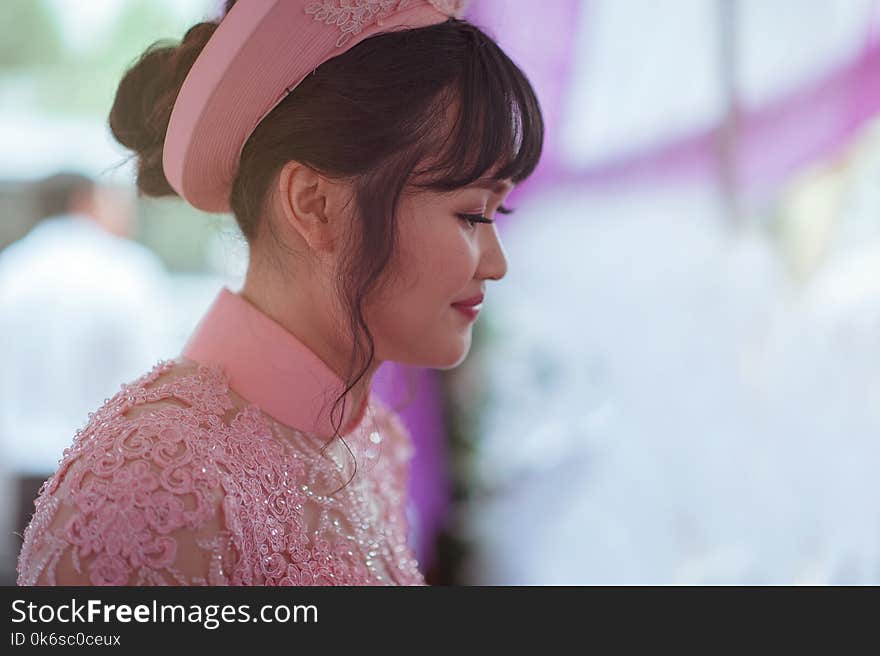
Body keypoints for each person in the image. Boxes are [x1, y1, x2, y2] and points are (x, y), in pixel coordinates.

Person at [16, 0, 543, 586]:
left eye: (500, 211)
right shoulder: (151, 479)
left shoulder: (372, 443)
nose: (495, 265)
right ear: (314, 204)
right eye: (471, 214)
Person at [0, 172, 174, 583]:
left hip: (21, 468)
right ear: (86, 200)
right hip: (102, 474)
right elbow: (157, 380)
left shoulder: (11, 274)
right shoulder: (128, 271)